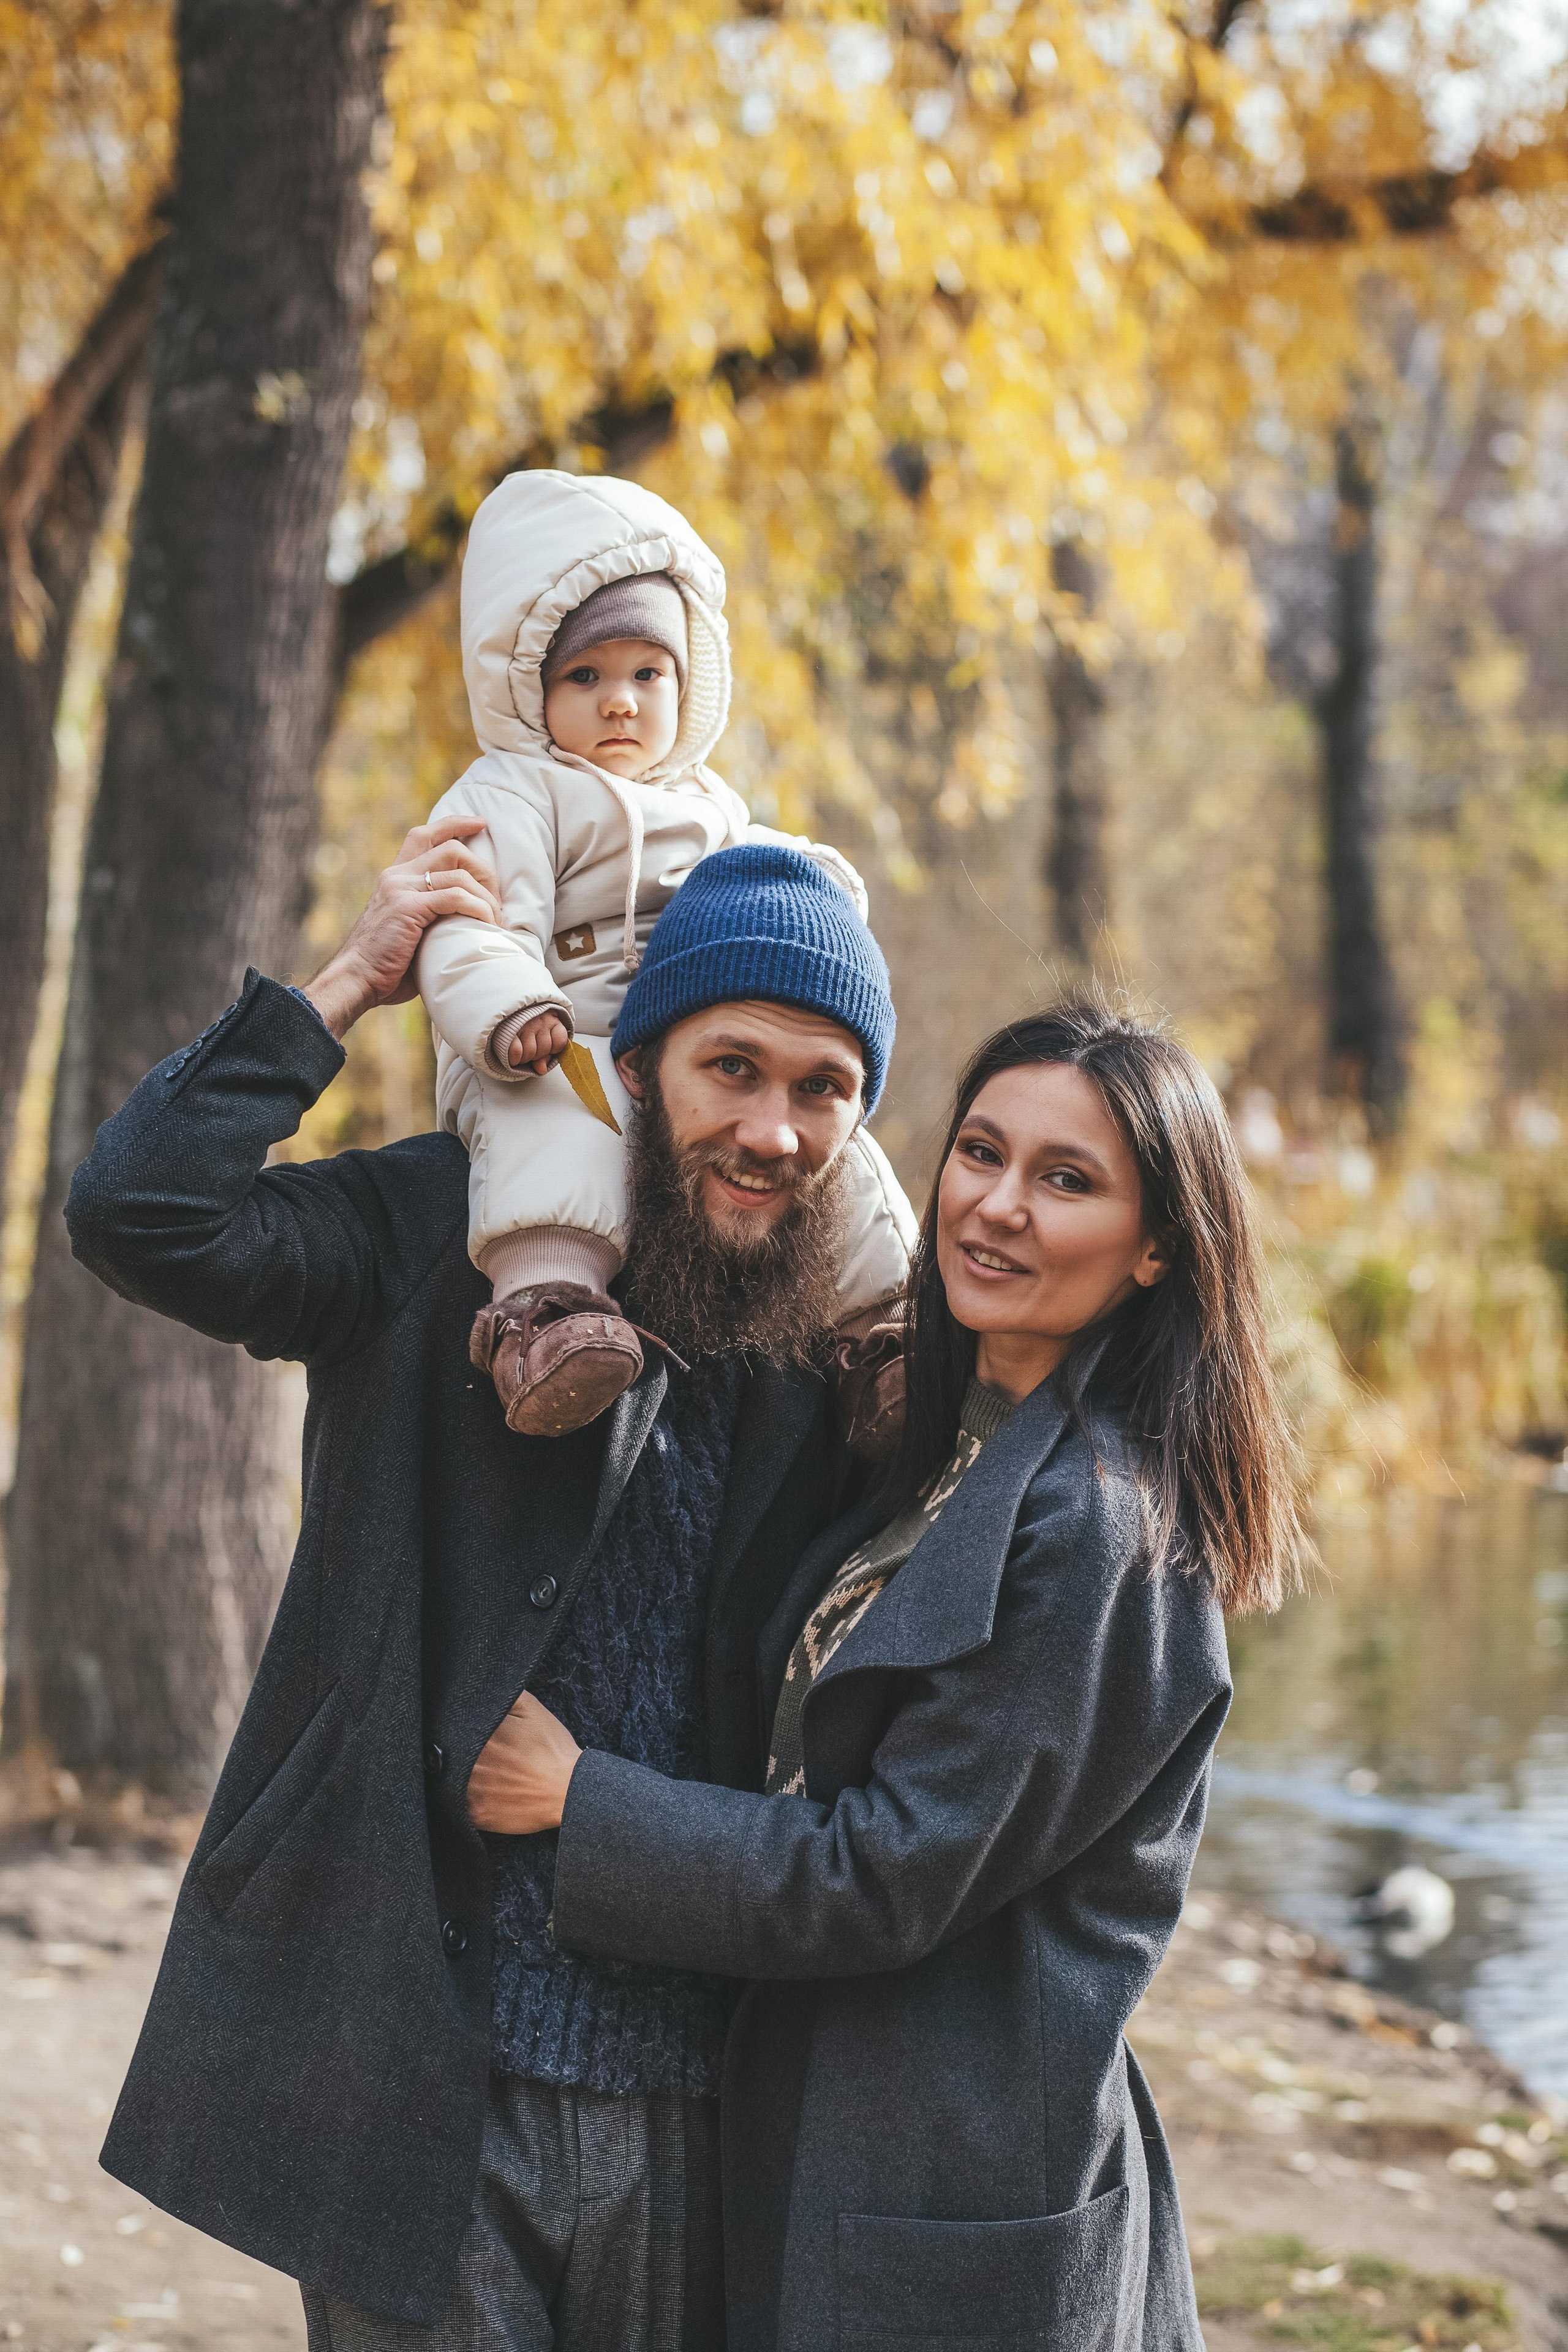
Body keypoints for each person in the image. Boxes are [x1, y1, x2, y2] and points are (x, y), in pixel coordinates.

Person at [68, 828, 903, 2350]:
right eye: (734, 1068)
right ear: (638, 1066)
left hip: (704, 2095)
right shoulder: (437, 1231)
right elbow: (143, 1215)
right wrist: (348, 982)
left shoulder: (841, 1362)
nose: (773, 1128)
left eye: (823, 1086)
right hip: (406, 2067)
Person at [469, 996, 1307, 2352]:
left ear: (1156, 1247)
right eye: (979, 1153)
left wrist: (585, 1802)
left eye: (1066, 1180)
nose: (997, 1207)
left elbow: (886, 1874)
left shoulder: (1100, 1526)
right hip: (833, 2147)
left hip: (953, 2180)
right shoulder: (949, 1436)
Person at [417, 467, 914, 1436]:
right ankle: (548, 1313)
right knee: (557, 1120)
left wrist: (813, 891)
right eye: (586, 677)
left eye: (648, 676)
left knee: (847, 1161)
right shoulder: (511, 793)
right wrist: (511, 1008)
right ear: (529, 684)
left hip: (688, 1060)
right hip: (542, 1040)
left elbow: (759, 876)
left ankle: (885, 1343)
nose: (620, 705)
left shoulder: (710, 804)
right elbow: (471, 925)